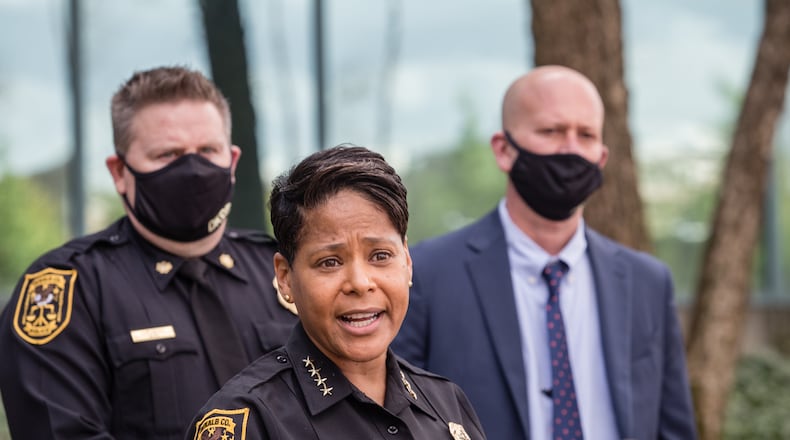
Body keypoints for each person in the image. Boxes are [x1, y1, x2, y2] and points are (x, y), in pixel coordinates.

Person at [391, 65, 697, 439]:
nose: (570, 148)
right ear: (504, 150)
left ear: (602, 157)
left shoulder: (647, 282)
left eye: (586, 135)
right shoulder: (428, 275)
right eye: (551, 131)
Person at [0, 66, 298, 439]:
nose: (193, 169)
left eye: (208, 151)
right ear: (119, 172)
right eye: (168, 154)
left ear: (232, 162)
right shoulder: (71, 292)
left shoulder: (283, 271)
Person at [185, 145, 487, 440]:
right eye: (329, 262)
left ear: (407, 262)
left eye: (380, 256)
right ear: (285, 277)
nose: (360, 283)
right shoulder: (249, 422)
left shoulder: (447, 405)